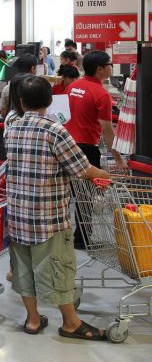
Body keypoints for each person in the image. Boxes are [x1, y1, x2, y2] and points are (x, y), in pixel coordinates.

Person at [4, 75, 110, 340]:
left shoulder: (12, 128)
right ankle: (71, 323)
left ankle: (33, 320)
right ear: (50, 101)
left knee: (23, 270)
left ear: (21, 101)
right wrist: (104, 174)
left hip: (18, 214)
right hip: (48, 217)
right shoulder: (55, 131)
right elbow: (82, 169)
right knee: (59, 267)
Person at [65, 50, 125, 249]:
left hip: (66, 145)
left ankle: (65, 236)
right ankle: (81, 239)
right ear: (100, 69)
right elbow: (107, 131)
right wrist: (118, 158)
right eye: (109, 64)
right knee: (85, 196)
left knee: (67, 193)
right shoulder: (102, 94)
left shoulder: (73, 87)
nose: (111, 67)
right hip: (86, 150)